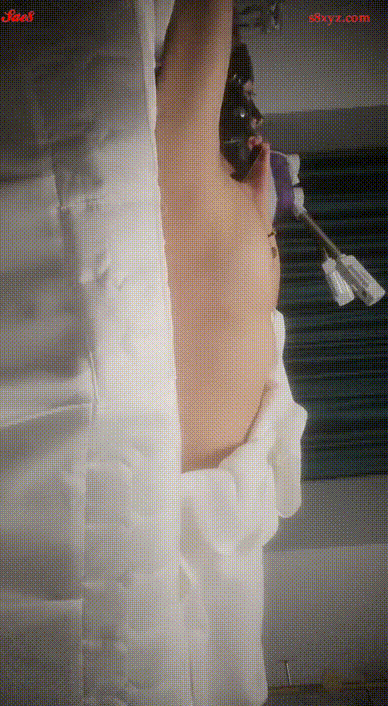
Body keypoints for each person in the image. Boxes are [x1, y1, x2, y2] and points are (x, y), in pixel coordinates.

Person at [155, 0, 280, 472]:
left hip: (191, 477)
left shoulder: (195, 175)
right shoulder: (205, 189)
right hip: (206, 472)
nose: (256, 116)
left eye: (248, 95)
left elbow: (202, 32)